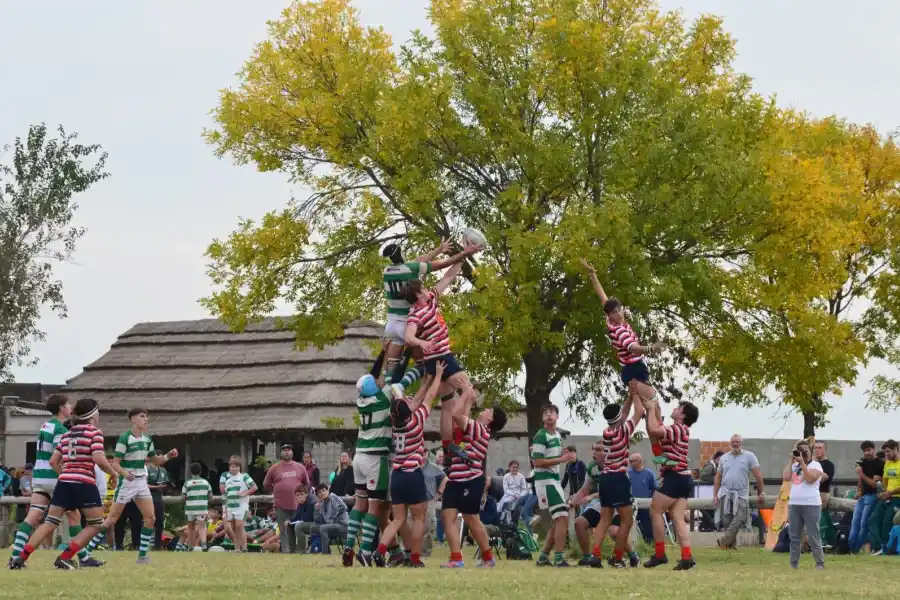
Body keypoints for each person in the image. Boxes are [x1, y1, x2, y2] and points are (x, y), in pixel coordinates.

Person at [9, 398, 117, 570]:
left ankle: (19, 558)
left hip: (62, 482)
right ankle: (66, 557)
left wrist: (65, 474)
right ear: (93, 414)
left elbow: (54, 461)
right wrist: (113, 473)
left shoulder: (67, 434)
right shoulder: (94, 433)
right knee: (96, 523)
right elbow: (98, 458)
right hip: (83, 483)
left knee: (49, 522)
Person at [583, 258, 667, 460]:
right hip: (633, 369)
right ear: (610, 316)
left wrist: (593, 275)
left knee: (653, 407)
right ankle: (661, 452)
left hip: (635, 368)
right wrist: (651, 348)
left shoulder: (612, 318)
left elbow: (603, 298)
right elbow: (633, 349)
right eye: (615, 312)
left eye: (620, 310)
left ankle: (659, 452)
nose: (619, 313)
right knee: (652, 405)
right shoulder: (619, 331)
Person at [344, 355, 421, 567]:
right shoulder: (384, 397)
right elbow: (401, 379)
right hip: (376, 459)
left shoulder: (361, 400)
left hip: (359, 456)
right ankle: (365, 552)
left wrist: (383, 355)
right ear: (374, 386)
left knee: (359, 504)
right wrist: (420, 367)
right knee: (375, 507)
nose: (379, 380)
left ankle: (349, 546)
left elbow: (379, 375)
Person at [404, 261, 476, 464]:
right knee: (469, 393)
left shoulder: (431, 298)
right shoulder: (415, 314)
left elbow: (448, 277)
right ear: (418, 294)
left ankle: (448, 447)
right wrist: (422, 342)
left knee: (448, 402)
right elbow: (408, 338)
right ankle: (461, 440)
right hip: (441, 356)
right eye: (423, 288)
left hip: (435, 359)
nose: (427, 288)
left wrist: (460, 259)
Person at [380, 239, 478, 384]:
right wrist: (463, 254)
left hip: (391, 325)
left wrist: (439, 250)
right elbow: (443, 265)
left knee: (391, 365)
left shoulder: (387, 271)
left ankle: (388, 385)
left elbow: (418, 260)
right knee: (422, 364)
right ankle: (402, 385)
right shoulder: (421, 299)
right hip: (406, 324)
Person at [374, 367, 443, 567]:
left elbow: (412, 402)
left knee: (398, 519)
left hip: (397, 475)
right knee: (419, 518)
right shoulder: (416, 421)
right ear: (408, 410)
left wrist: (424, 382)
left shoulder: (395, 423)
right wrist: (436, 376)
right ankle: (414, 558)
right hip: (413, 474)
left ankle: (380, 552)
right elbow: (429, 398)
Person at [440, 386, 507, 568]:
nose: (484, 410)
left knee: (471, 519)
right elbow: (461, 418)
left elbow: (456, 415)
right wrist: (468, 400)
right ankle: (456, 559)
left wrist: (466, 394)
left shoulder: (481, 430)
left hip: (471, 480)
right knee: (447, 517)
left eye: (488, 411)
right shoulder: (474, 429)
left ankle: (488, 558)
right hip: (455, 479)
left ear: (490, 419)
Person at [643, 399, 699, 570]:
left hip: (675, 477)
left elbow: (654, 430)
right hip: (684, 478)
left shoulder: (677, 428)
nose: (674, 408)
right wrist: (653, 410)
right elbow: (655, 434)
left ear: (682, 415)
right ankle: (687, 557)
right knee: (677, 517)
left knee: (655, 510)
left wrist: (651, 409)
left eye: (678, 408)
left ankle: (660, 554)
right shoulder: (680, 430)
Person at [594, 397, 644, 568]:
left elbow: (624, 413)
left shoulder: (606, 432)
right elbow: (638, 412)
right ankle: (617, 558)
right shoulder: (624, 431)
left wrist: (629, 396)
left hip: (605, 477)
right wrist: (636, 395)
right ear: (620, 417)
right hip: (619, 477)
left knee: (604, 520)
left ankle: (595, 555)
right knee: (626, 521)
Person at [531, 403, 575, 567]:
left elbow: (552, 456)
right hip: (545, 480)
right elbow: (537, 462)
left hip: (554, 480)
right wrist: (561, 459)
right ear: (542, 418)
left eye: (552, 412)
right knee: (562, 517)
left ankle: (543, 557)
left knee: (559, 519)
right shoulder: (540, 435)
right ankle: (559, 557)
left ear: (557, 416)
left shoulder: (556, 434)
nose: (549, 415)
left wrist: (565, 455)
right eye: (546, 413)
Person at [713, 435, 765, 549]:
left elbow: (758, 476)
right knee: (727, 520)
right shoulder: (724, 458)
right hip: (725, 492)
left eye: (738, 442)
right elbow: (718, 477)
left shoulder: (749, 456)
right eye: (733, 442)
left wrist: (761, 493)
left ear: (741, 443)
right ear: (730, 443)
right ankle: (730, 546)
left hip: (741, 493)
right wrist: (715, 495)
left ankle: (724, 541)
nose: (735, 444)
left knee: (740, 517)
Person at [782, 440, 825, 569]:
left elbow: (810, 479)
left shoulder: (816, 465)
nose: (803, 453)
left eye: (805, 450)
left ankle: (819, 563)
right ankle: (793, 564)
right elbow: (786, 477)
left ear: (810, 452)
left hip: (811, 504)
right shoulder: (794, 465)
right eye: (800, 450)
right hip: (794, 504)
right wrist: (791, 459)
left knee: (813, 536)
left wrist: (802, 464)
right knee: (794, 536)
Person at [263, 444, 309, 553]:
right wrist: (277, 490)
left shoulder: (300, 467)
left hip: (297, 505)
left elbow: (306, 484)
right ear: (281, 453)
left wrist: (302, 496)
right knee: (283, 529)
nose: (286, 452)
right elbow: (266, 484)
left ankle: (299, 550)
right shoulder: (274, 468)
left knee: (297, 527)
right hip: (280, 505)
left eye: (288, 450)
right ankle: (286, 550)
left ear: (292, 452)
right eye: (284, 450)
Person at [848, 440, 884, 553]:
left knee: (864, 524)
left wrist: (861, 474)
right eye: (864, 451)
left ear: (873, 449)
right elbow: (860, 480)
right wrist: (859, 491)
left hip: (872, 496)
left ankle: (856, 548)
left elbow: (874, 484)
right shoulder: (862, 461)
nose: (867, 453)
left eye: (869, 450)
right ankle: (850, 549)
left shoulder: (879, 463)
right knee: (855, 523)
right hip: (863, 496)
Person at [869, 440, 900, 555]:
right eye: (885, 452)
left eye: (888, 451)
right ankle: (878, 547)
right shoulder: (888, 464)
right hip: (887, 497)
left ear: (896, 449)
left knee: (887, 522)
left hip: (897, 498)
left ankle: (888, 549)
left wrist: (890, 493)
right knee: (873, 519)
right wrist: (882, 492)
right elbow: (885, 482)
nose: (886, 454)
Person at [223, 456, 258, 552]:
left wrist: (245, 493)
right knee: (234, 527)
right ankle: (240, 548)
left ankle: (241, 548)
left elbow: (254, 487)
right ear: (229, 467)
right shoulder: (228, 481)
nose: (235, 468)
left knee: (239, 525)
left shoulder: (244, 476)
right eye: (233, 466)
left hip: (241, 505)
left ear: (240, 467)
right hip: (231, 507)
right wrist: (226, 508)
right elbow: (226, 495)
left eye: (237, 466)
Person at [627, 453, 656, 543]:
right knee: (627, 524)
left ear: (639, 461)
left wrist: (651, 501)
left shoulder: (649, 474)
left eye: (632, 461)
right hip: (631, 504)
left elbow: (654, 489)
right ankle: (629, 543)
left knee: (646, 524)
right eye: (629, 461)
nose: (630, 463)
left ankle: (649, 543)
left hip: (645, 505)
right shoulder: (628, 474)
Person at [182, 462, 212, 550]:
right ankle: (204, 544)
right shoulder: (206, 482)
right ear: (200, 471)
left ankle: (190, 546)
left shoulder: (187, 483)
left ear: (190, 471)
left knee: (191, 528)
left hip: (190, 508)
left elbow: (183, 495)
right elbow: (210, 495)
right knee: (201, 527)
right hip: (202, 508)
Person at [146, 460, 170, 550]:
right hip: (148, 498)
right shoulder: (147, 469)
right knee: (148, 521)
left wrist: (166, 486)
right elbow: (144, 484)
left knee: (159, 521)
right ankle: (144, 543)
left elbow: (166, 482)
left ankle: (157, 545)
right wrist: (157, 487)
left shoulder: (163, 470)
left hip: (159, 498)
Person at [289, 486, 316, 552]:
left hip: (316, 523)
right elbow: (298, 516)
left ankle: (301, 550)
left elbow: (308, 518)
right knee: (289, 525)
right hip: (309, 523)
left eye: (302, 494)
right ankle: (291, 548)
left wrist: (303, 504)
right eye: (298, 495)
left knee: (299, 526)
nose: (300, 496)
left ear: (306, 494)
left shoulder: (311, 502)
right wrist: (290, 521)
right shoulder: (301, 504)